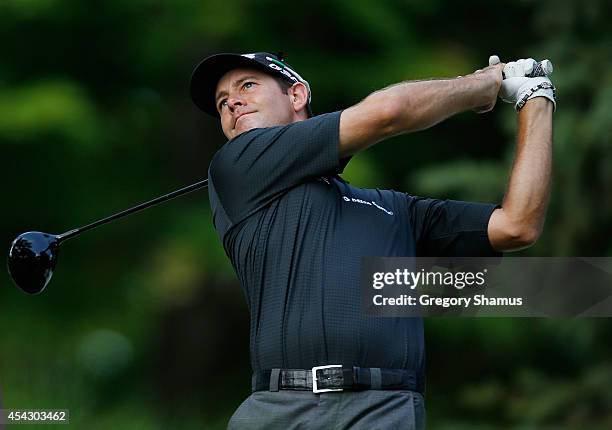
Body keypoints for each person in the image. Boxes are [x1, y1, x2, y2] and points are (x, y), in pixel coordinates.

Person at [189, 52, 554, 429]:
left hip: (381, 410)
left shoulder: (393, 209)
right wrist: (486, 83)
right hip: (278, 409)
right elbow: (388, 113)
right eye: (221, 102)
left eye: (247, 85)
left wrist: (536, 96)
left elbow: (518, 225)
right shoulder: (236, 165)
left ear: (297, 96)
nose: (231, 102)